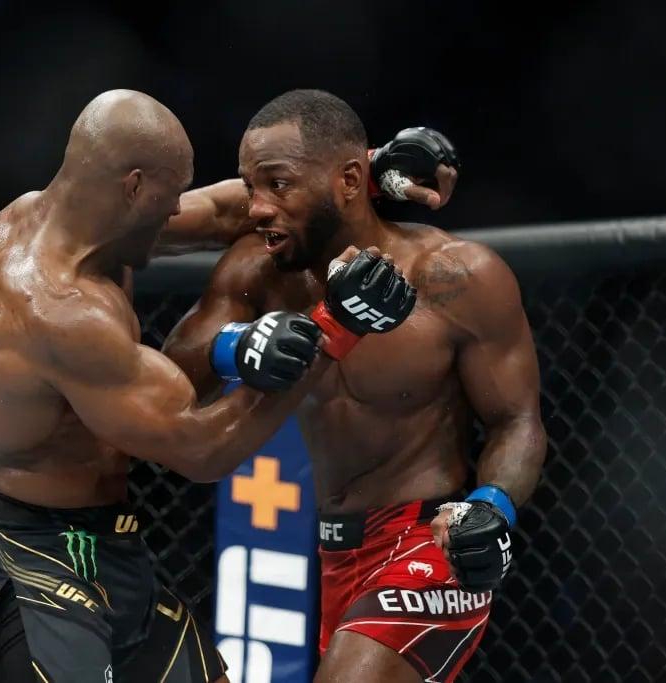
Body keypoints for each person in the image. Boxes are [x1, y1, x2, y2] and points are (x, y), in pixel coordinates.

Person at [0, 89, 419, 683]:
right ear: (134, 187)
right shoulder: (59, 309)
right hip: (39, 560)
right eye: (169, 199)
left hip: (111, 548)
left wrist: (367, 172)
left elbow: (223, 213)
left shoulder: (54, 216)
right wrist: (334, 329)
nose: (176, 213)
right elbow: (201, 448)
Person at [162, 89, 547, 682]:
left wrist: (491, 506)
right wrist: (236, 345)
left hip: (428, 542)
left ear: (348, 181)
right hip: (335, 551)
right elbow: (173, 376)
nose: (256, 208)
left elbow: (516, 421)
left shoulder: (455, 276)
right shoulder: (260, 272)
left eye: (278, 185)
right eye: (249, 187)